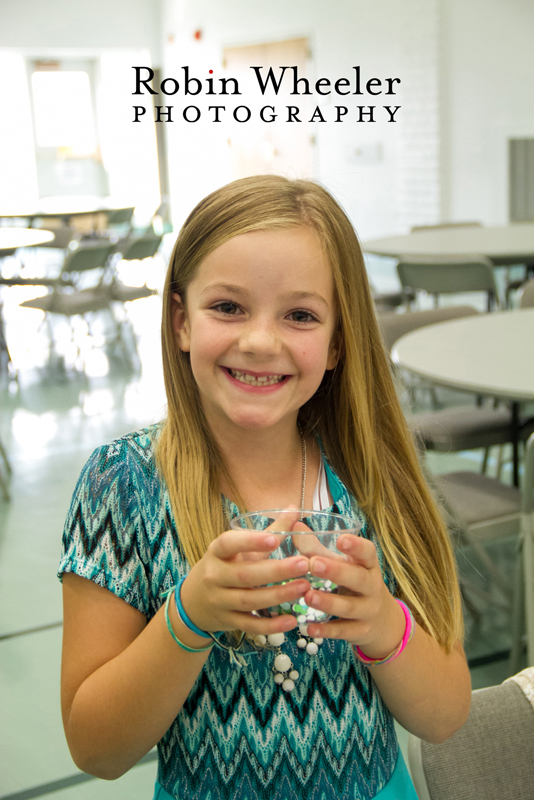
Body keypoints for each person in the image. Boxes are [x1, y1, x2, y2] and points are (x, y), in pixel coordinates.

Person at [59, 175, 471, 800]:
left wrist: (383, 624)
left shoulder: (372, 473)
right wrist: (189, 616)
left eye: (300, 315)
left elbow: (443, 717)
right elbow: (96, 748)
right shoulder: (123, 486)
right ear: (181, 322)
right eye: (228, 307)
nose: (259, 341)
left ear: (338, 343)